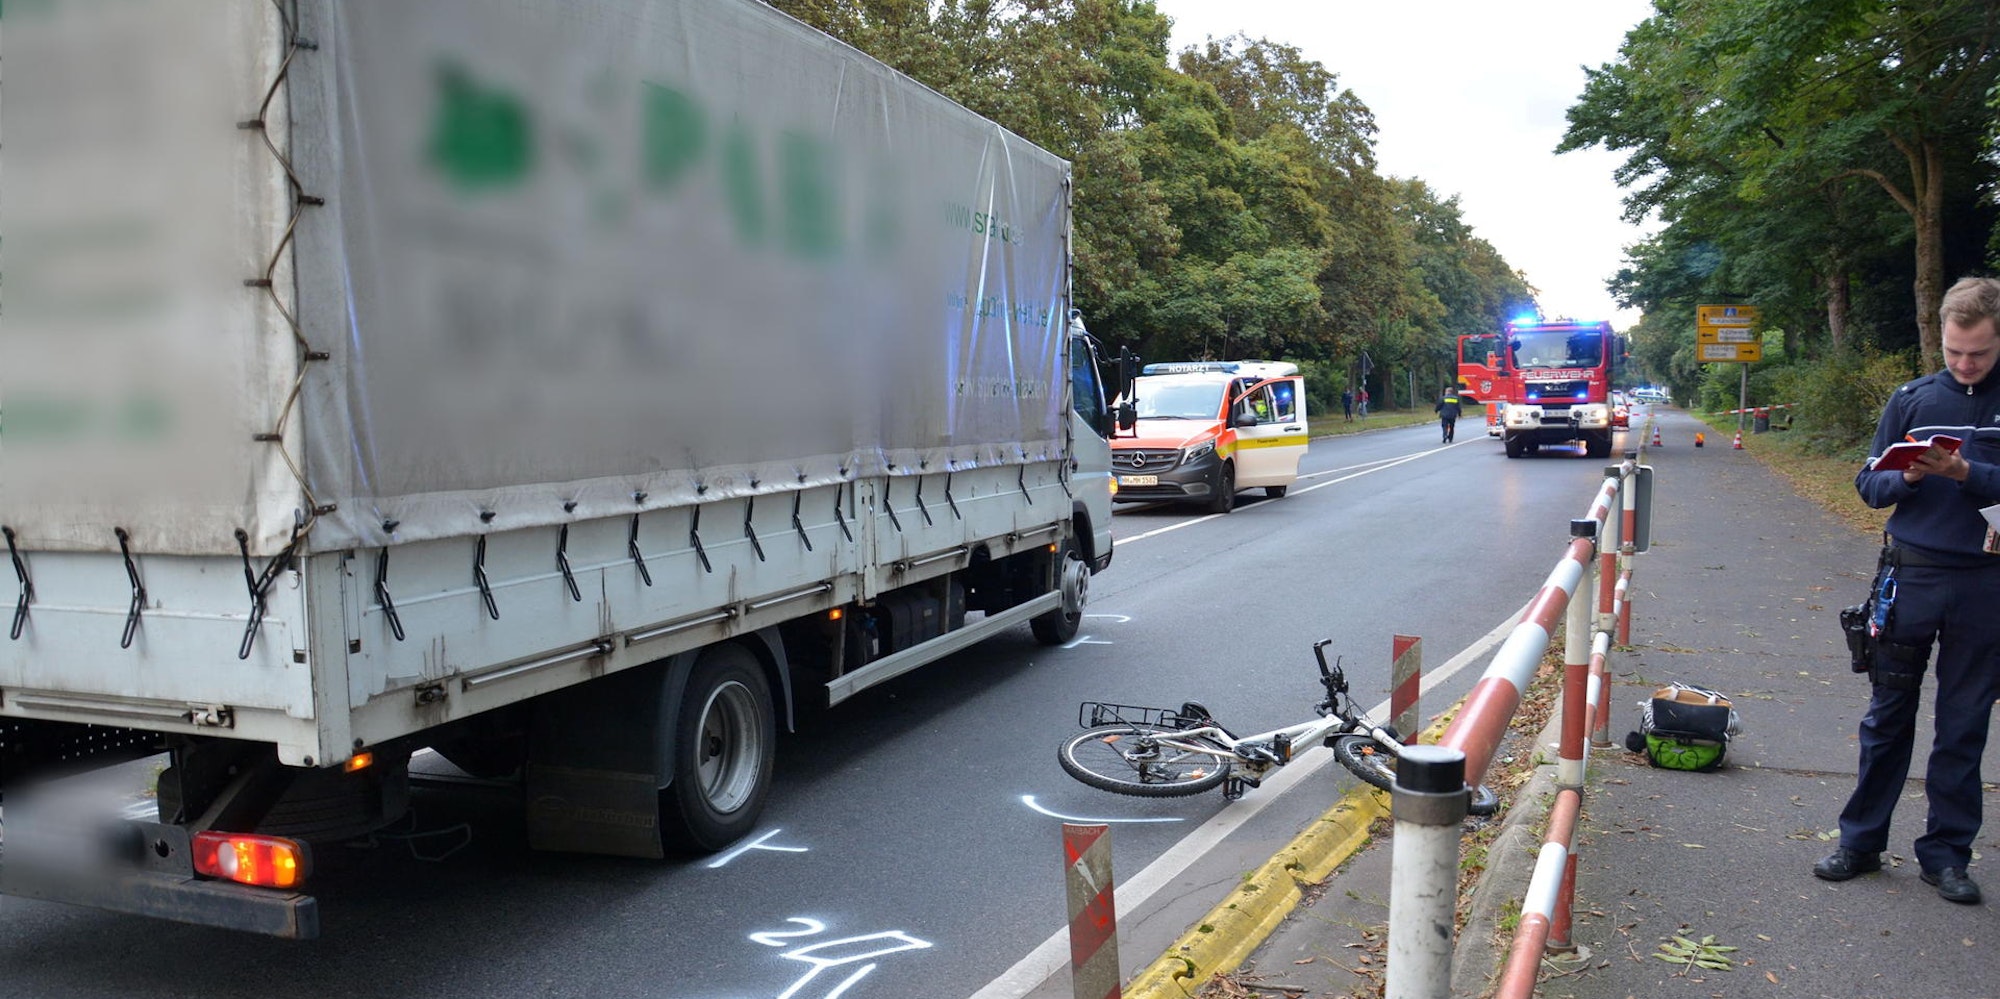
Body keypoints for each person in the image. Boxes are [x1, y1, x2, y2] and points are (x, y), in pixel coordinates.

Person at [1814, 276, 2000, 905]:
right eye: (1953, 352)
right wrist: (1912, 477)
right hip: (1911, 574)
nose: (1965, 363)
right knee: (1887, 717)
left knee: (1963, 725)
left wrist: (1966, 472)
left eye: (1977, 352)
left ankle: (1946, 856)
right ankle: (1860, 841)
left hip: (1986, 582)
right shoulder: (1914, 398)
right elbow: (1869, 486)